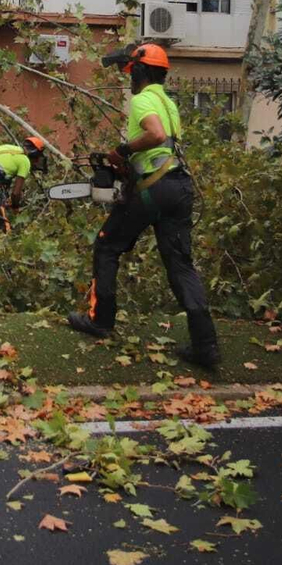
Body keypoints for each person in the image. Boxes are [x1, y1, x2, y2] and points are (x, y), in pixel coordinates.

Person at [67, 42, 220, 370]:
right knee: (180, 265)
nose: (129, 79)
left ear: (139, 70)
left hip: (154, 188)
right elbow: (163, 145)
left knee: (107, 246)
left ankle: (101, 321)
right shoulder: (169, 103)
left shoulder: (143, 100)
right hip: (179, 186)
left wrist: (122, 151)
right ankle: (205, 345)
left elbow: (154, 134)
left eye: (131, 73)